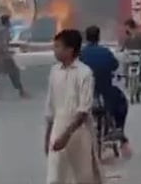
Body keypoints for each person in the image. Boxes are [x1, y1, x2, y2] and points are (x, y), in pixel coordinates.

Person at [45, 29, 102, 184]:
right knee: (56, 176)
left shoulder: (84, 73)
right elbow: (51, 106)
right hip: (57, 129)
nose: (55, 50)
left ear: (70, 50)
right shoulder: (54, 71)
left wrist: (66, 135)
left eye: (58, 47)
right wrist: (48, 135)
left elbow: (84, 110)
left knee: (81, 176)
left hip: (79, 132)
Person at [79, 25, 132, 158]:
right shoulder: (105, 52)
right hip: (105, 92)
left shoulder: (80, 54)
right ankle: (119, 130)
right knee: (122, 104)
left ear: (86, 38)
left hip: (84, 93)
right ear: (99, 37)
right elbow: (115, 66)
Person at [0, 14, 28, 99]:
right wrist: (7, 53)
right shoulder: (5, 31)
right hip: (3, 57)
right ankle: (21, 91)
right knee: (14, 73)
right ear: (7, 22)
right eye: (10, 21)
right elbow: (3, 44)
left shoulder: (0, 30)